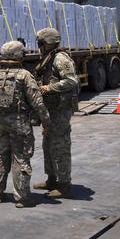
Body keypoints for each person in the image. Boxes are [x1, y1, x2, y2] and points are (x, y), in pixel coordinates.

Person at [0, 40, 50, 208]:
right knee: (20, 157)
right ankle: (21, 198)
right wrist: (46, 121)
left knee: (0, 156)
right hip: (19, 122)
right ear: (19, 55)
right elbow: (37, 101)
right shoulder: (24, 75)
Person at [32, 28, 80, 199]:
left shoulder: (60, 59)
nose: (39, 46)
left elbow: (72, 81)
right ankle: (52, 179)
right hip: (51, 109)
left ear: (47, 43)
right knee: (48, 145)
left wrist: (49, 88)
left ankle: (64, 184)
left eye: (40, 43)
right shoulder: (48, 57)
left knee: (60, 146)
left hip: (60, 110)